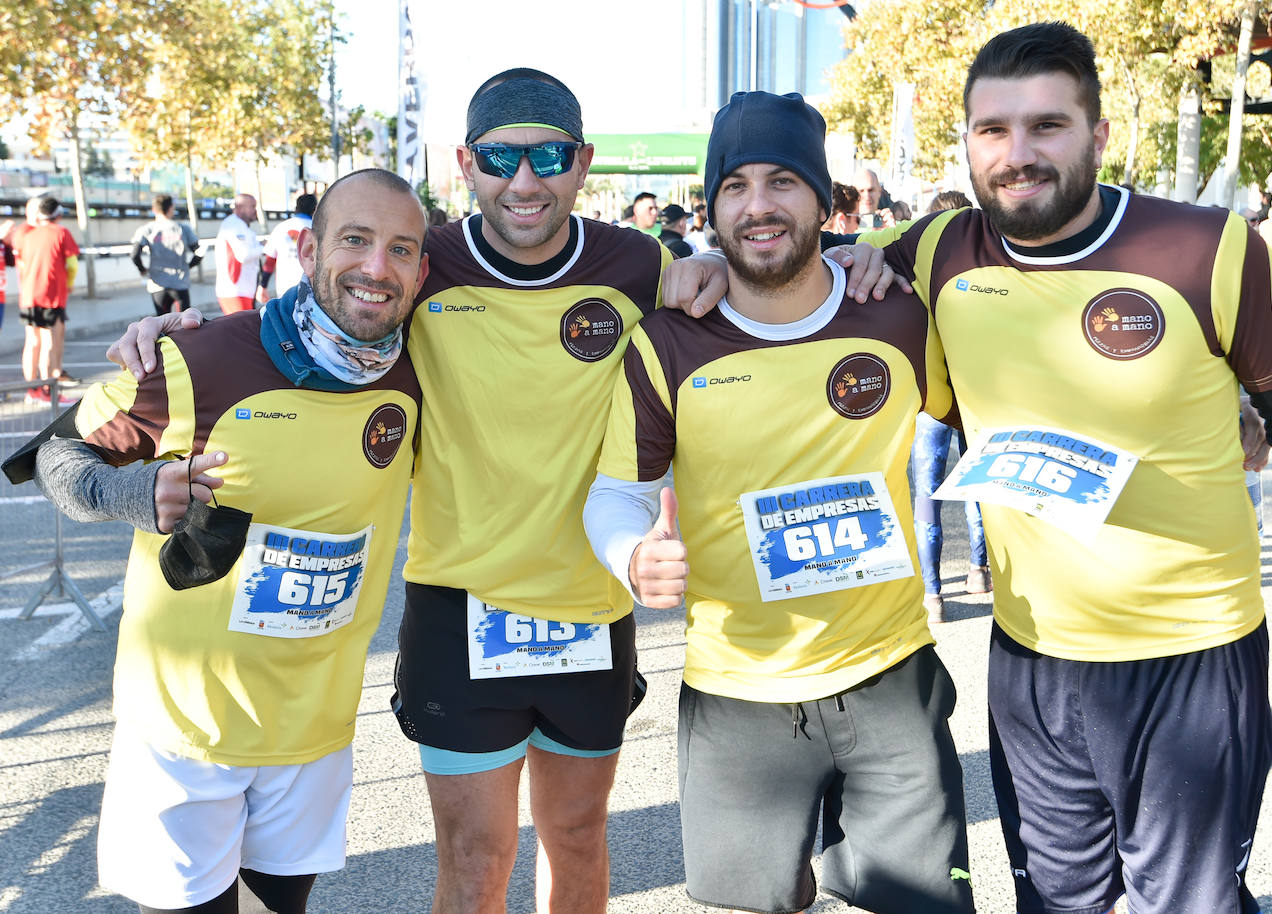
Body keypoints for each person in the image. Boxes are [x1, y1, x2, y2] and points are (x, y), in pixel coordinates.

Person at [105, 69, 900, 914]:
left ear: (584, 163)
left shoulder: (636, 262)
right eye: (500, 158)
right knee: (478, 858)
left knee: (579, 841)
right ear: (467, 163)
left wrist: (858, 256)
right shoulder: (423, 261)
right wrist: (171, 330)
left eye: (550, 156)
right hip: (461, 608)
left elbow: (756, 282)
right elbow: (328, 306)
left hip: (590, 608)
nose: (525, 181)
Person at [671, 21, 1272, 914]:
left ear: (1099, 135)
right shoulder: (937, 252)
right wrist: (695, 272)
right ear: (967, 142)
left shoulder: (1208, 247)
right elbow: (791, 272)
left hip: (1192, 655)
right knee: (1055, 901)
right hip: (1033, 659)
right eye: (993, 131)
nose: (1018, 153)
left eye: (1048, 126)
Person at [585, 89, 974, 914]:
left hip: (889, 678)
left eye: (783, 182)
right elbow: (617, 492)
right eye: (735, 186)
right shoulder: (669, 339)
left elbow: (1000, 407)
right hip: (738, 695)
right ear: (713, 205)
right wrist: (631, 555)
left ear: (824, 199)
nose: (758, 206)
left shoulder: (896, 314)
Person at [26, 168, 429, 914]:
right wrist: (132, 492)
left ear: (422, 269)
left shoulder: (422, 370)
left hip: (313, 732)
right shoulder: (197, 357)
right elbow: (55, 456)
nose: (377, 267)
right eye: (355, 240)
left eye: (401, 249)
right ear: (307, 251)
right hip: (184, 732)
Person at [910, 189, 989, 623]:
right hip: (975, 398)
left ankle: (933, 595)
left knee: (927, 497)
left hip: (931, 404)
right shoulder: (983, 275)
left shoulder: (917, 274)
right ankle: (979, 571)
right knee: (977, 489)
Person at [4, 196, 79, 399]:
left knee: (32, 342)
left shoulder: (25, 235)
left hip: (28, 294)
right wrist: (69, 284)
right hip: (50, 294)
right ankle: (47, 391)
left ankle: (33, 389)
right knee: (47, 342)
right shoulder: (58, 232)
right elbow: (72, 265)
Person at [130, 194, 201, 316]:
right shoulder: (183, 228)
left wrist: (142, 270)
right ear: (171, 208)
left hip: (157, 284)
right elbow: (200, 251)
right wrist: (189, 266)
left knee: (163, 326)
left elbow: (134, 254)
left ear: (154, 210)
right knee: (184, 325)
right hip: (180, 284)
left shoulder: (146, 229)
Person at [214, 193, 264, 314]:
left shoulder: (239, 225)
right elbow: (243, 255)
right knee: (241, 331)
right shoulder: (234, 225)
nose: (255, 210)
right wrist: (264, 248)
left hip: (242, 290)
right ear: (240, 207)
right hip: (235, 290)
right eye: (252, 206)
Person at [260, 192, 316, 300]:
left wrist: (263, 286)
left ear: (296, 208)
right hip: (311, 290)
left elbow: (270, 260)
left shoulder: (281, 227)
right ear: (315, 209)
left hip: (284, 290)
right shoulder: (318, 229)